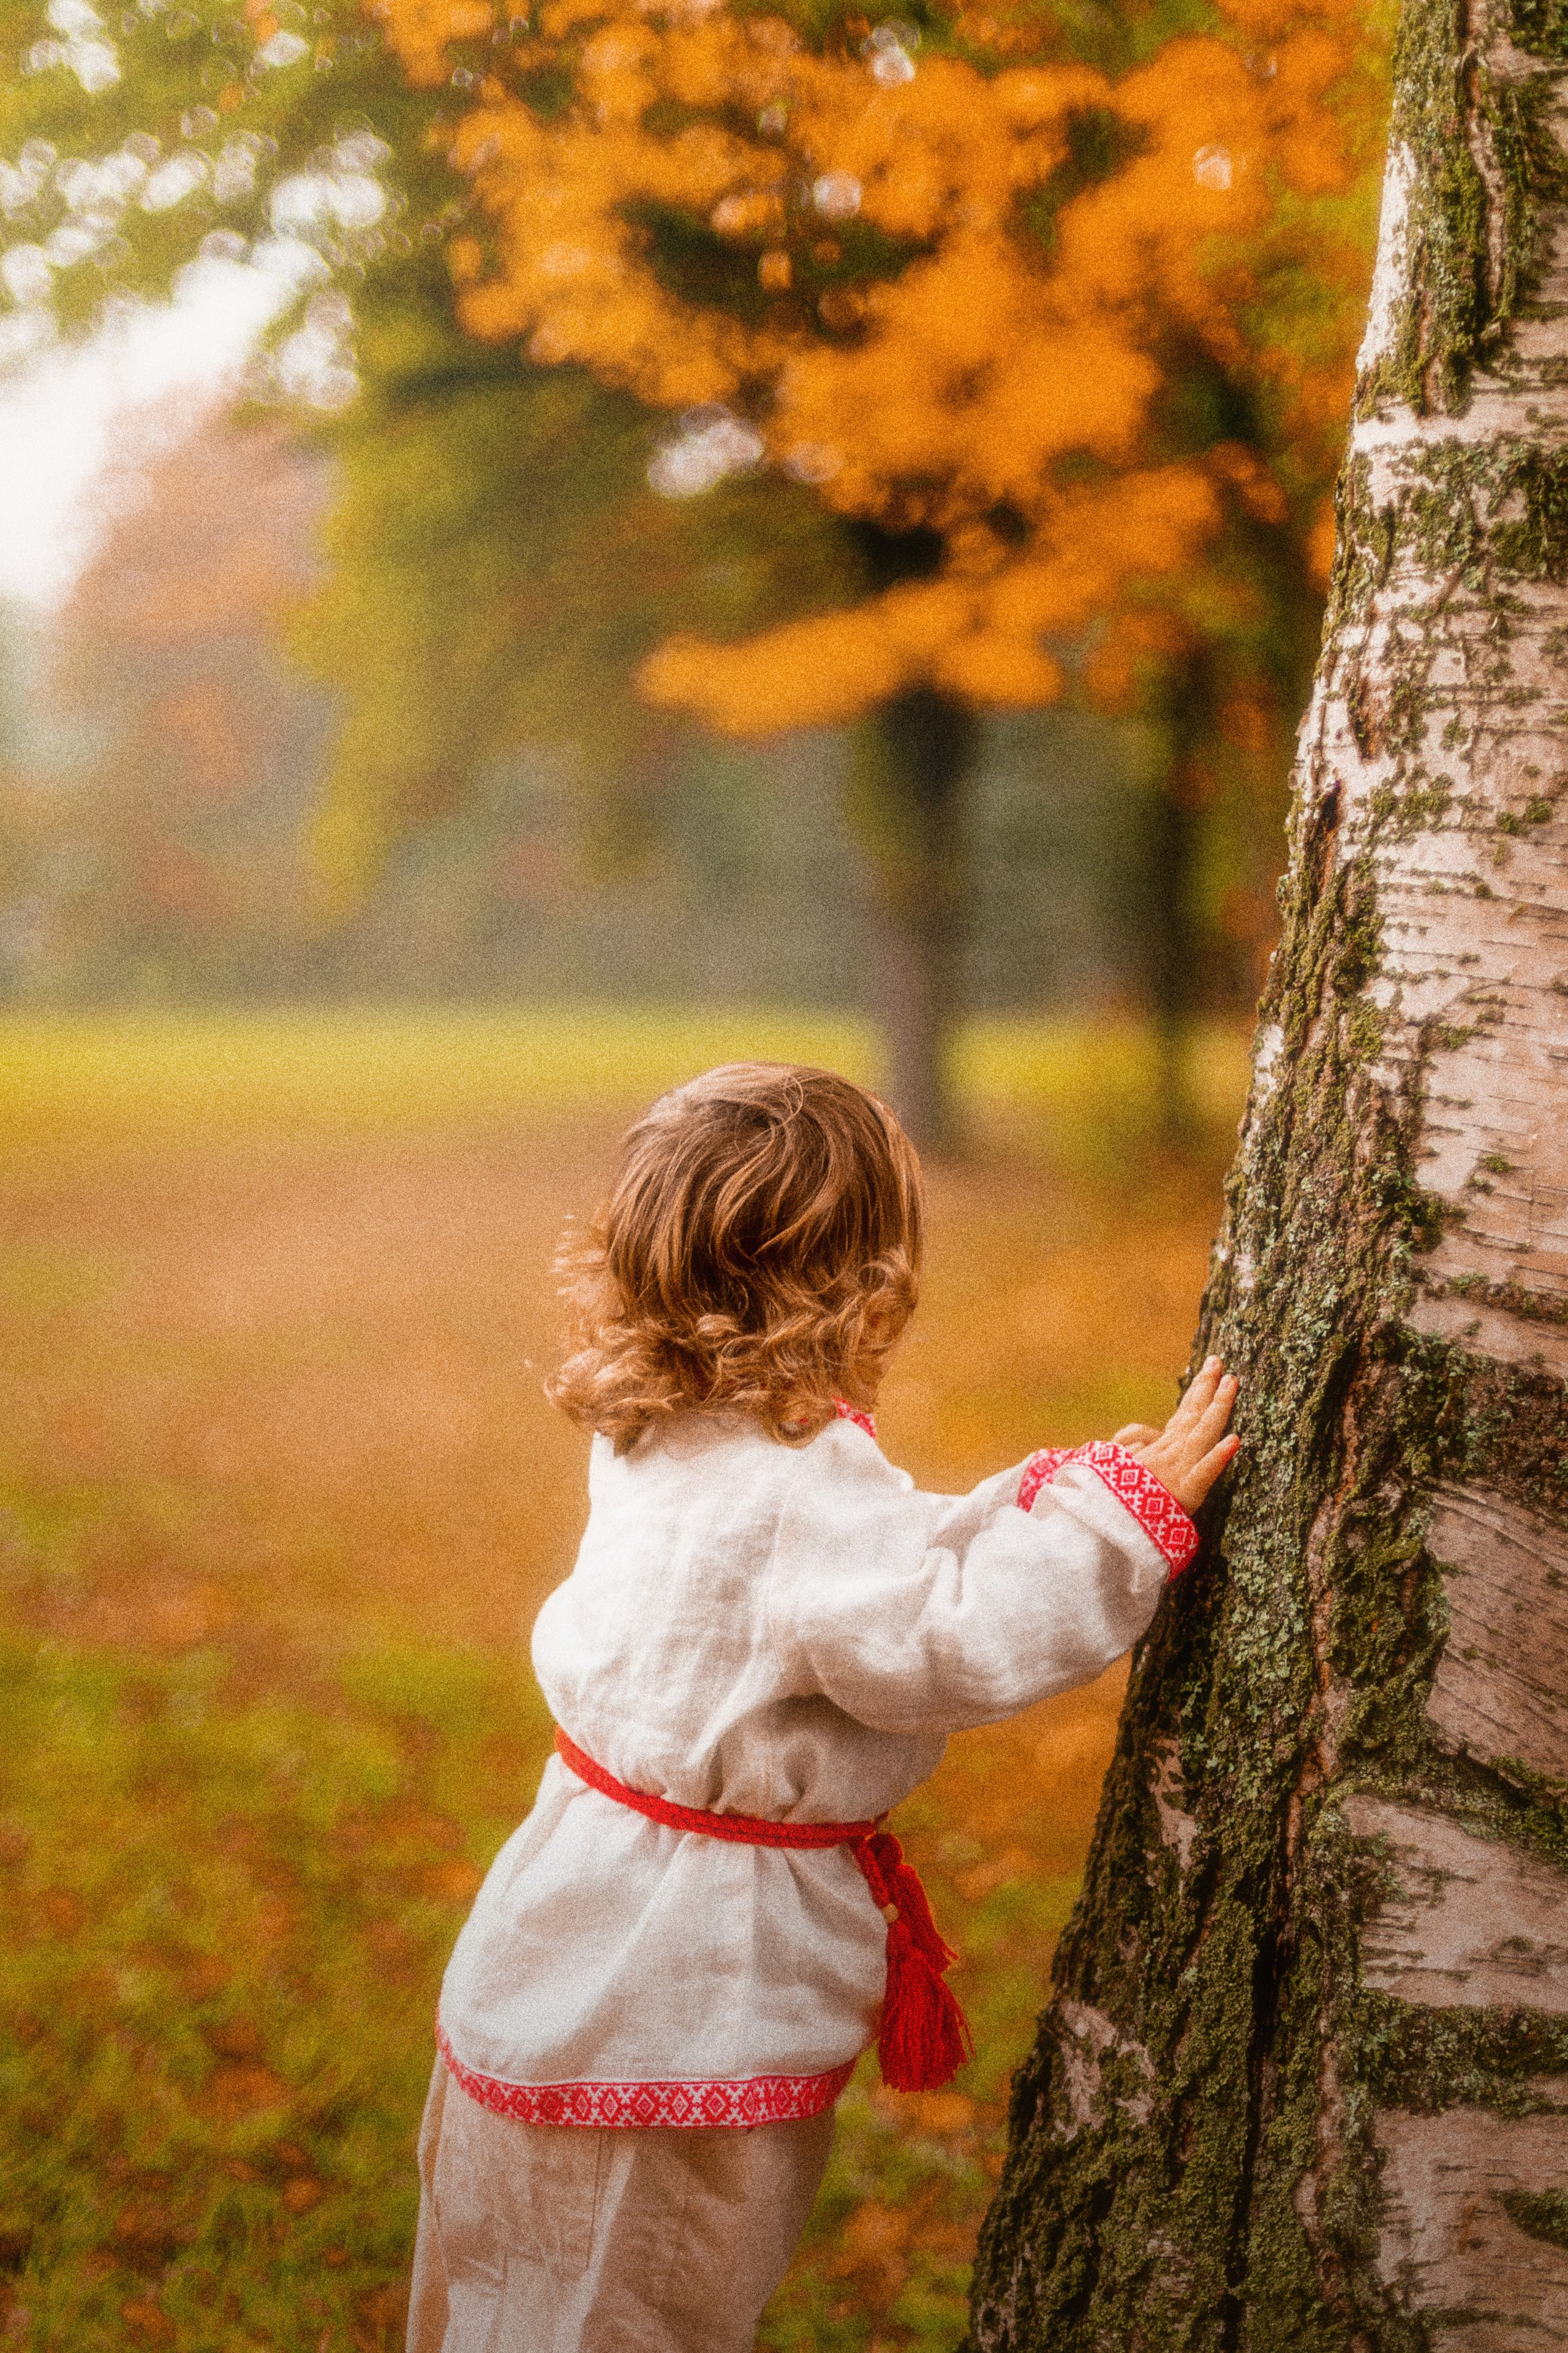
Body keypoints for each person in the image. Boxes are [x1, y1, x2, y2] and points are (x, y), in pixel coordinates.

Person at [406, 1062, 1239, 2353]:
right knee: (632, 2315)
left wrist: (1043, 1496)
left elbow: (851, 1581)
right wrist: (1106, 1530)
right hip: (675, 2005)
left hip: (563, 1942)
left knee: (508, 2288)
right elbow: (933, 1638)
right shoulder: (800, 1486)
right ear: (855, 1281)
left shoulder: (660, 1426)